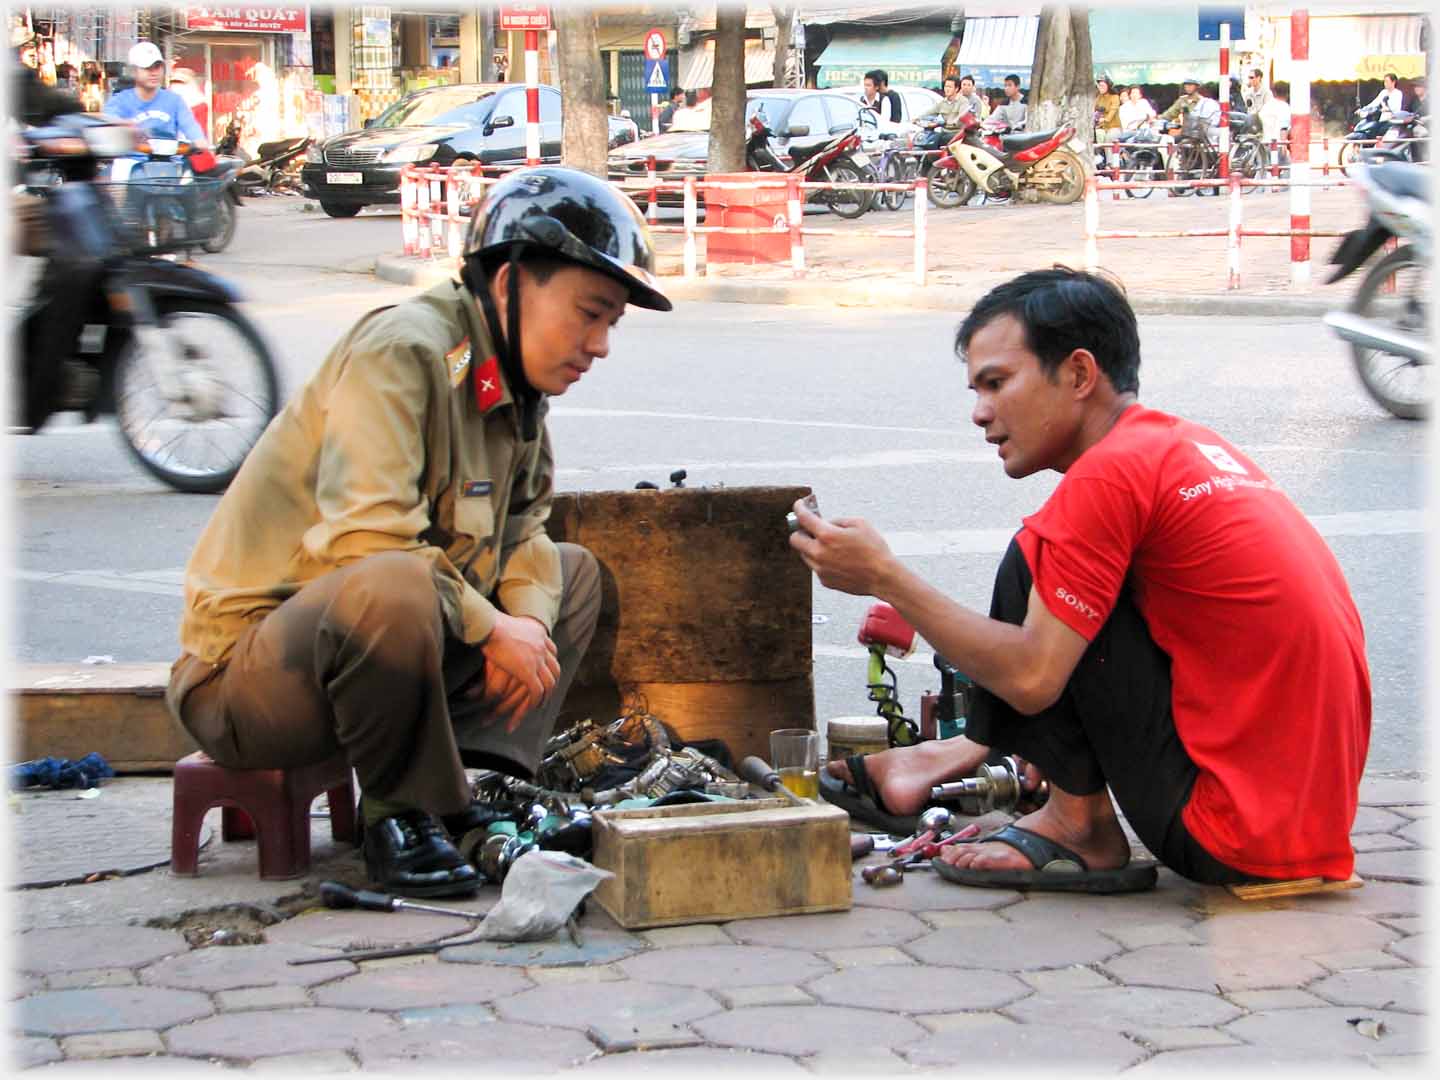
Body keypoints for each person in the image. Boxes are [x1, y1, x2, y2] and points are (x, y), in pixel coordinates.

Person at [164, 167, 673, 898]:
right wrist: (492, 630)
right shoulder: (404, 352)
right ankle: (402, 818)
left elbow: (527, 530)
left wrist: (523, 622)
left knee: (572, 572)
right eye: (588, 313)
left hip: (378, 673)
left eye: (610, 324)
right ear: (510, 282)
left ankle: (482, 793)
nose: (599, 345)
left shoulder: (512, 387)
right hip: (249, 684)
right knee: (393, 580)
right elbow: (367, 545)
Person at [795, 267, 1369, 893]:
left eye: (997, 383)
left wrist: (886, 577)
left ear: (1077, 375)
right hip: (1308, 827)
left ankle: (1077, 825)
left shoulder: (1107, 477)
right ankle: (967, 762)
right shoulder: (1182, 445)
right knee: (1048, 558)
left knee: (1033, 555)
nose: (980, 413)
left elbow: (1032, 680)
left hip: (1231, 835)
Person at [104, 41, 208, 147]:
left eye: (157, 67)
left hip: (171, 159)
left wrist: (199, 141)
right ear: (134, 71)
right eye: (147, 68)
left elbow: (191, 127)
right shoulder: (119, 102)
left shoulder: (175, 101)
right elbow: (109, 128)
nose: (154, 73)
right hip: (131, 159)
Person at [914, 74, 969, 149]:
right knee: (929, 139)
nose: (947, 89)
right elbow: (930, 112)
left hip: (956, 133)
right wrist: (917, 118)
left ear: (956, 89)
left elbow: (961, 117)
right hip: (944, 132)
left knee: (939, 139)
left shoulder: (963, 102)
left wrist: (946, 123)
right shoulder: (943, 102)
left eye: (950, 87)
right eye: (946, 86)